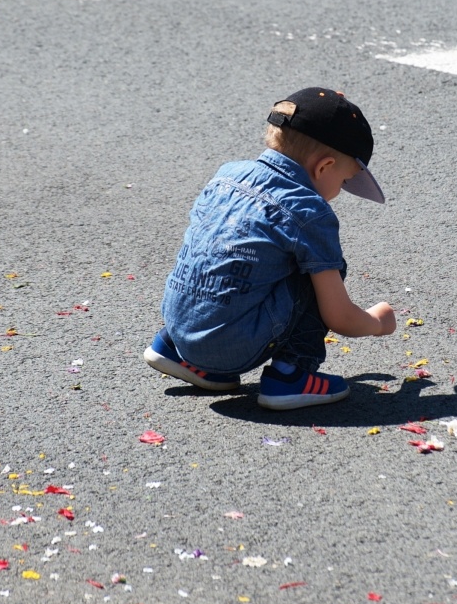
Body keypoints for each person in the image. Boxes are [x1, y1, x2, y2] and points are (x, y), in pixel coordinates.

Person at [144, 87, 396, 410]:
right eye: (345, 181)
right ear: (324, 167)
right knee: (320, 266)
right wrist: (378, 322)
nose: (341, 191)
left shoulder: (226, 174)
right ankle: (291, 375)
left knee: (221, 252)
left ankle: (171, 347)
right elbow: (339, 316)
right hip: (231, 345)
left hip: (181, 330)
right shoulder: (309, 211)